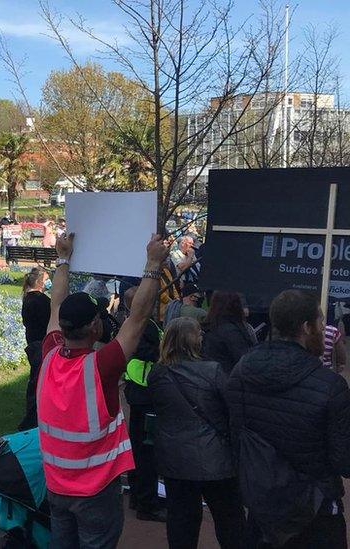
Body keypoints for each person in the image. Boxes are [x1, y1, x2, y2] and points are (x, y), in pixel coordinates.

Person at [37, 232, 167, 548]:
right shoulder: (102, 366)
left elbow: (56, 305)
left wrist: (63, 259)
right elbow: (137, 319)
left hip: (55, 487)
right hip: (95, 492)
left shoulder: (50, 353)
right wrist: (152, 264)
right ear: (96, 327)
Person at [227, 290, 350, 547]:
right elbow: (344, 460)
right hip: (315, 511)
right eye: (319, 321)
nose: (322, 328)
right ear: (307, 327)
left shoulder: (242, 370)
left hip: (263, 505)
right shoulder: (331, 387)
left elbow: (237, 432)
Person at [147, 317, 243, 549]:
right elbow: (233, 409)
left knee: (181, 523)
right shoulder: (214, 371)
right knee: (230, 522)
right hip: (217, 458)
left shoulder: (158, 374)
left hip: (176, 460)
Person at [122, 286, 166, 522]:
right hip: (145, 391)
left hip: (137, 389)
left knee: (138, 447)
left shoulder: (131, 322)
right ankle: (146, 503)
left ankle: (139, 496)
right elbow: (146, 352)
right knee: (146, 451)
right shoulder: (143, 325)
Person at [19, 268, 51, 430]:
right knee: (37, 381)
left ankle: (33, 414)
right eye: (46, 280)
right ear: (39, 282)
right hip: (40, 343)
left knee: (35, 379)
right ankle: (33, 417)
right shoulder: (40, 300)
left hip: (33, 341)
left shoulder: (28, 298)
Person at [201, 291, 256, 374]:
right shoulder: (231, 332)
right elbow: (243, 360)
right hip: (229, 376)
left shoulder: (209, 328)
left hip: (211, 375)